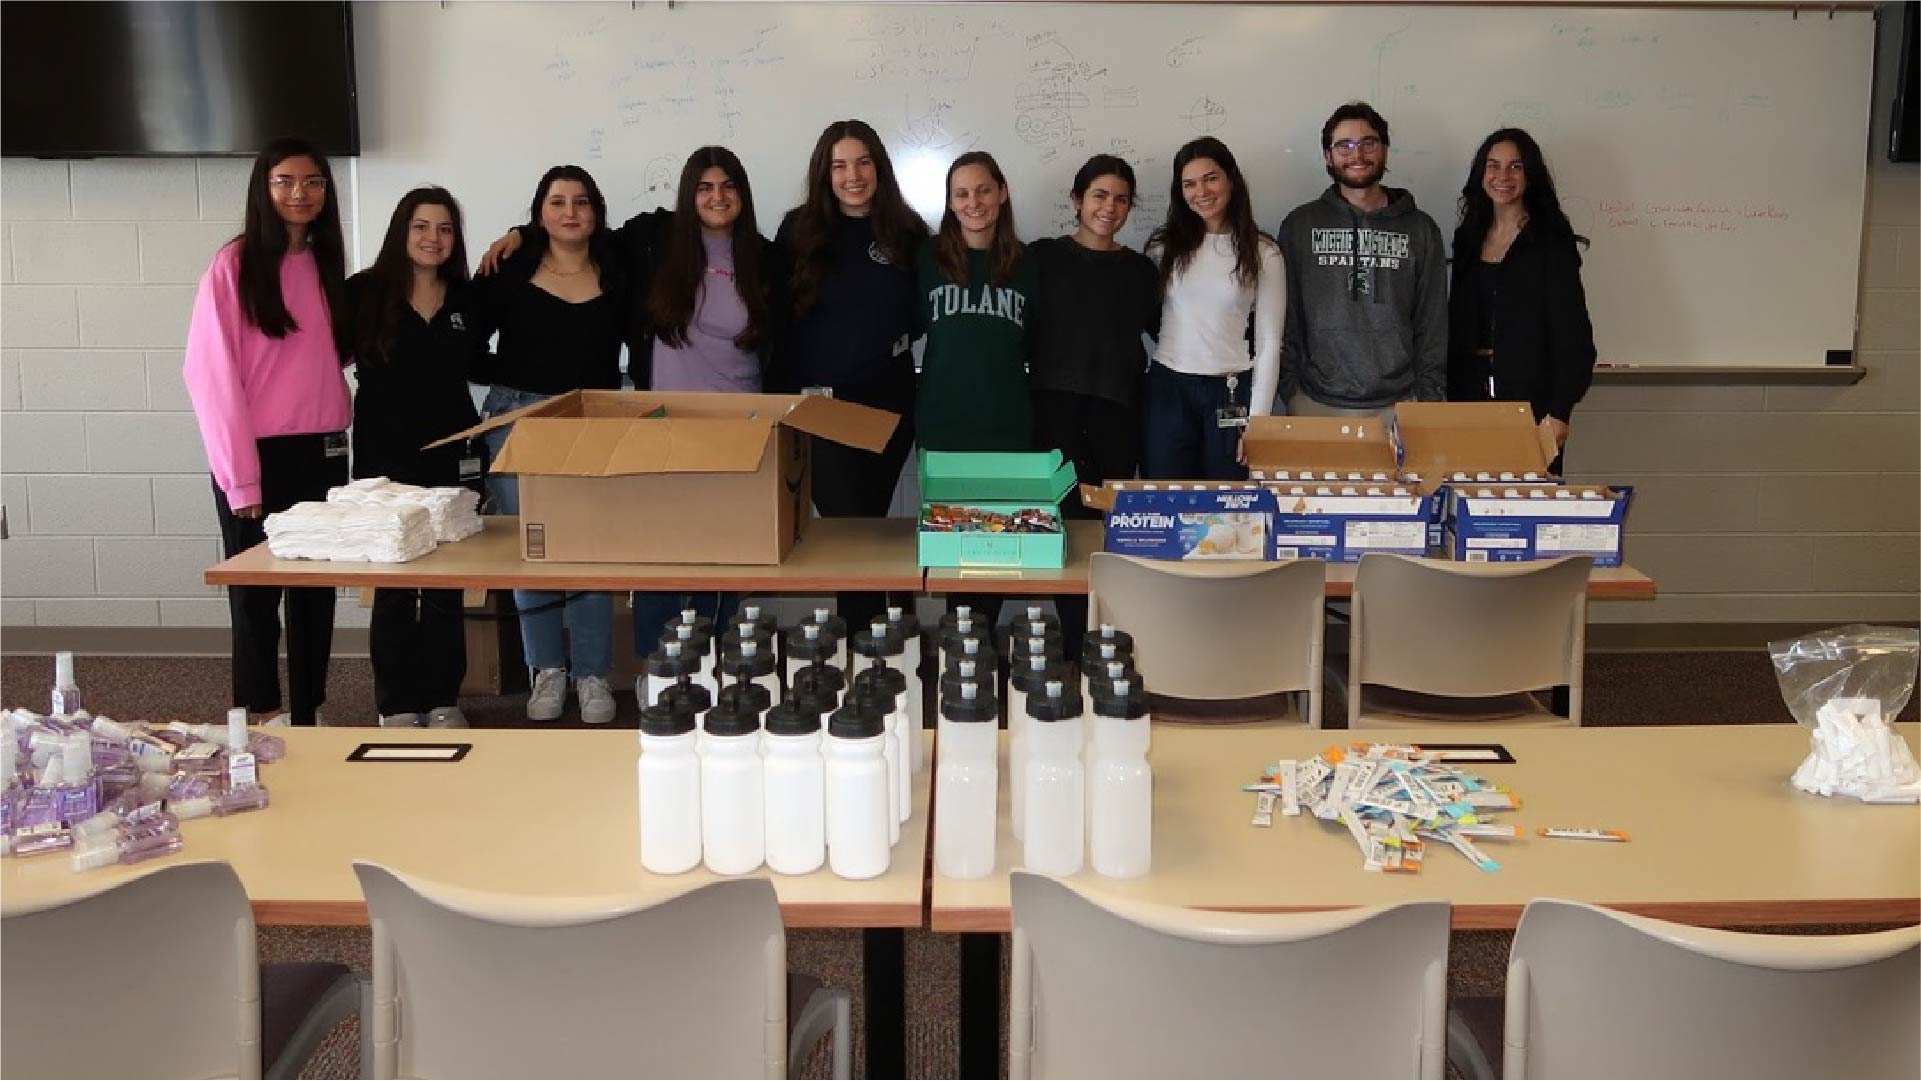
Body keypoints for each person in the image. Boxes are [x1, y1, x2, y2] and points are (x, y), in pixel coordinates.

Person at [184, 136, 352, 728]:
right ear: (264, 188)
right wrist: (241, 479)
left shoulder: (327, 264)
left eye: (312, 182)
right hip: (256, 458)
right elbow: (210, 379)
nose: (299, 194)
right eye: (285, 181)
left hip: (324, 453)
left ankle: (308, 710)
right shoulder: (233, 266)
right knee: (256, 596)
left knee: (315, 594)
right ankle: (263, 710)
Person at [469, 165, 629, 725]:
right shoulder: (509, 269)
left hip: (593, 422)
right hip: (519, 420)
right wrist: (510, 375)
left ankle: (591, 673)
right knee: (531, 549)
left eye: (581, 202)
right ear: (539, 212)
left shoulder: (619, 268)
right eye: (556, 202)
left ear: (596, 212)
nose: (569, 212)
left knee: (589, 550)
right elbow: (465, 339)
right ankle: (547, 671)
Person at [773, 119, 928, 636]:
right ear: (825, 173)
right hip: (822, 410)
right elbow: (776, 315)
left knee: (874, 526)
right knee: (851, 526)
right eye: (839, 165)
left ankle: (890, 640)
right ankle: (873, 640)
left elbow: (924, 312)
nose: (852, 176)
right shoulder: (797, 230)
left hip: (891, 404)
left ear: (879, 167)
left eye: (862, 162)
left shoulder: (907, 231)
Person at [625, 146, 783, 651]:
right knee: (662, 554)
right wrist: (523, 233)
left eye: (728, 185)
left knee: (726, 554)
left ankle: (717, 667)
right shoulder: (654, 243)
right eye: (705, 187)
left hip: (741, 427)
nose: (718, 196)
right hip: (666, 427)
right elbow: (579, 230)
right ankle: (658, 665)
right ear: (689, 195)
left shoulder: (764, 256)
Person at [343, 187, 486, 729]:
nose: (434, 238)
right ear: (402, 231)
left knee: (447, 582)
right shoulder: (363, 292)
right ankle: (397, 702)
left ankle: (444, 697)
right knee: (395, 585)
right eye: (422, 226)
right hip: (384, 458)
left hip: (449, 454)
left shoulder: (467, 299)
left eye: (445, 228)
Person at [1026, 154, 1160, 656]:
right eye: (1100, 195)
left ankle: (1103, 641)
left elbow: (1164, 336)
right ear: (1077, 200)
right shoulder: (1042, 258)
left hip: (1116, 415)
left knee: (1107, 533)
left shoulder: (1141, 271)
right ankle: (1069, 646)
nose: (1110, 207)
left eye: (1121, 199)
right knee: (1059, 527)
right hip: (1054, 412)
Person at [916, 151, 1038, 630]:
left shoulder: (1027, 264)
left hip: (1007, 427)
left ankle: (982, 649)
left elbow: (1041, 341)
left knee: (997, 548)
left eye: (984, 190)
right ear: (949, 203)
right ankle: (957, 646)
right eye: (962, 194)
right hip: (944, 426)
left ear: (1002, 192)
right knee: (953, 548)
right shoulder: (928, 261)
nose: (974, 202)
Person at [1276, 102, 1447, 418]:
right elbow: (1287, 315)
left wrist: (1427, 396)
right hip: (1316, 403)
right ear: (1328, 156)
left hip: (1401, 405)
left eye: (1369, 143)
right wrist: (1292, 390)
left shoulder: (1420, 229)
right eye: (1344, 145)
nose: (1357, 155)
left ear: (1384, 150)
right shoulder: (1300, 226)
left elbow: (1432, 321)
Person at [1447, 128, 1596, 472]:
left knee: (1522, 515)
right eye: (1493, 165)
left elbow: (1574, 338)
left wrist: (1559, 413)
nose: (1503, 176)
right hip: (1468, 402)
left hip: (1532, 406)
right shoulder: (1468, 239)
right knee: (1471, 510)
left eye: (1515, 166)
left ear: (1531, 175)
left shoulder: (1551, 243)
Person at [1142, 137, 1283, 480]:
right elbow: (1148, 319)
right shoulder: (1163, 249)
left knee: (1227, 509)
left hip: (1230, 393)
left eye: (1211, 178)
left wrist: (1258, 421)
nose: (1201, 191)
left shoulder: (1264, 253)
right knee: (1165, 503)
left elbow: (1268, 342)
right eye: (1189, 184)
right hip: (1168, 390)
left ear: (1231, 180)